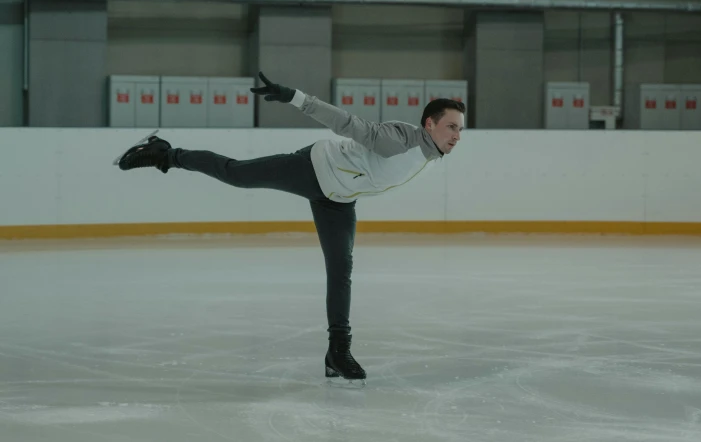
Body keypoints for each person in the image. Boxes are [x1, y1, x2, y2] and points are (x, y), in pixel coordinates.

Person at [116, 70, 465, 384]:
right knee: (237, 173)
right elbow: (348, 123)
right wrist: (297, 97)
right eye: (451, 126)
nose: (457, 135)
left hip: (339, 197)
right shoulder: (401, 139)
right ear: (430, 124)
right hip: (313, 168)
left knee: (341, 269)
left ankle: (337, 354)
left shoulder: (431, 154)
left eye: (460, 129)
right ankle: (166, 154)